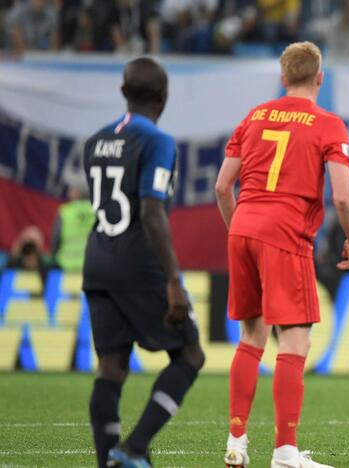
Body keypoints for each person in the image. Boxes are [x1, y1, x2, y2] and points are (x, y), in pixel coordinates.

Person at [215, 41, 349, 468]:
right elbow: (344, 199)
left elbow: (223, 186)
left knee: (250, 337)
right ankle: (284, 451)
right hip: (286, 233)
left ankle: (236, 443)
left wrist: (239, 231)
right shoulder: (327, 124)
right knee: (294, 340)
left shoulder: (254, 117)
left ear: (282, 78)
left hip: (242, 228)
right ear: (320, 78)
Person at [83, 57, 205, 468]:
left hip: (97, 262)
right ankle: (135, 449)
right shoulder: (157, 142)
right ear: (163, 96)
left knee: (111, 368)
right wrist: (173, 281)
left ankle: (109, 462)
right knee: (190, 356)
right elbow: (152, 212)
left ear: (123, 93)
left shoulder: (95, 141)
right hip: (139, 263)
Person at [51, 179, 96, 272]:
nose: (68, 192)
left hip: (66, 265)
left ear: (78, 192)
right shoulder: (95, 210)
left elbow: (56, 239)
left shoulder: (65, 212)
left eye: (71, 189)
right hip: (90, 264)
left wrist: (53, 254)